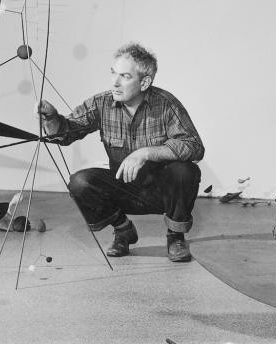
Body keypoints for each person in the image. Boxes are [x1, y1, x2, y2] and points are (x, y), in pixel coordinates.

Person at [38, 42, 204, 262]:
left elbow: (194, 146)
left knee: (186, 171)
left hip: (161, 192)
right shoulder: (102, 103)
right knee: (80, 182)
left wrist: (146, 152)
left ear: (144, 82)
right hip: (124, 189)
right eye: (113, 73)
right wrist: (51, 117)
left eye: (125, 76)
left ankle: (175, 235)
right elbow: (66, 133)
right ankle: (123, 229)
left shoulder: (165, 104)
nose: (115, 83)